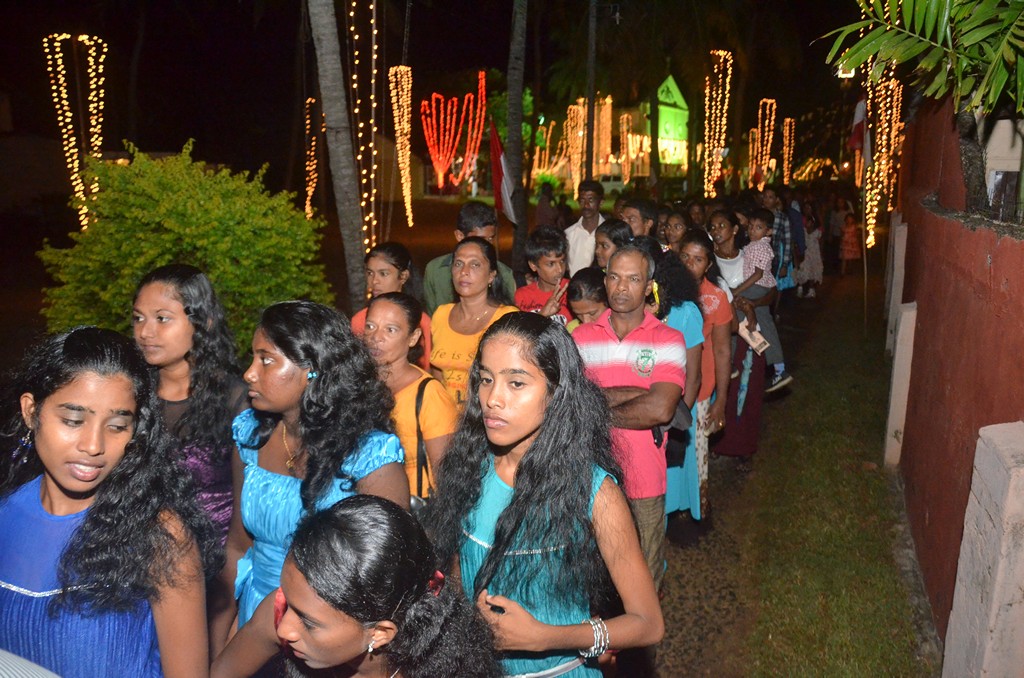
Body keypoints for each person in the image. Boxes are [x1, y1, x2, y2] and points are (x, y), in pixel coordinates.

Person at [425, 312, 664, 677]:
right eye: (486, 379)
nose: (493, 399)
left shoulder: (594, 493)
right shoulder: (469, 469)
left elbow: (648, 623)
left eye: (516, 383)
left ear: (556, 393)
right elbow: (460, 573)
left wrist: (546, 637)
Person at [0, 327, 218, 678]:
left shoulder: (160, 537)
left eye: (117, 426)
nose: (93, 445)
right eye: (73, 420)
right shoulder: (5, 517)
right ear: (30, 411)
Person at [211, 301, 408, 654]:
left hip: (327, 637)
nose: (249, 373)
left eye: (266, 360)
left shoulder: (369, 457)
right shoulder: (251, 437)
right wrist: (220, 637)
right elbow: (238, 546)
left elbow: (387, 579)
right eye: (253, 358)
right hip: (253, 619)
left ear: (312, 371)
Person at [212, 496, 501, 678]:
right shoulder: (280, 612)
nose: (285, 628)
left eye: (309, 623)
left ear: (379, 633)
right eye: (288, 598)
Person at [573, 246, 686, 594]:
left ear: (648, 285)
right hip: (589, 478)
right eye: (614, 277)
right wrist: (637, 392)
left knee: (645, 579)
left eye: (633, 279)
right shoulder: (579, 339)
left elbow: (660, 409)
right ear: (605, 280)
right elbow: (570, 404)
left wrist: (594, 407)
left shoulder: (668, 339)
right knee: (593, 579)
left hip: (644, 480)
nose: (622, 287)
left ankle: (645, 631)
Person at [133, 264, 248, 545]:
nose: (145, 332)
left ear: (203, 321)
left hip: (216, 557)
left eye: (162, 318)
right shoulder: (131, 394)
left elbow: (247, 511)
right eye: (138, 318)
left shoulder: (237, 400)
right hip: (136, 554)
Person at [364, 293, 457, 500]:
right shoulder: (357, 386)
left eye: (390, 330)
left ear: (413, 337)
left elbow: (447, 479)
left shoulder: (429, 395)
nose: (376, 337)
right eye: (370, 326)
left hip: (412, 509)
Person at [673, 230, 735, 524]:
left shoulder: (715, 298)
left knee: (695, 456)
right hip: (666, 389)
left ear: (708, 264)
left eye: (697, 260)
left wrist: (721, 400)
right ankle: (670, 508)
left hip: (699, 391)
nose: (689, 265)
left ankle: (696, 510)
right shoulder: (662, 292)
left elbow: (722, 350)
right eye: (685, 257)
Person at [710, 210, 770, 467]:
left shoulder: (750, 256)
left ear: (735, 229)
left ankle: (744, 444)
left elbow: (772, 292)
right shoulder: (707, 261)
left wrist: (751, 304)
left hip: (748, 333)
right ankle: (718, 442)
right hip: (719, 335)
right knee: (722, 388)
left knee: (748, 389)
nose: (716, 231)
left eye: (722, 225)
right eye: (712, 227)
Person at [429, 237, 518, 407]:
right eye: (458, 264)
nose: (464, 271)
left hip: (487, 413)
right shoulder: (441, 314)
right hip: (445, 415)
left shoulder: (507, 318)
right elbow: (437, 376)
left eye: (475, 264)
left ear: (491, 275)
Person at [733, 208, 793, 393]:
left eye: (758, 227)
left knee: (732, 312)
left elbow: (757, 274)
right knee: (766, 325)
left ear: (769, 231)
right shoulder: (756, 244)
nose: (752, 230)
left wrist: (737, 290)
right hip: (762, 287)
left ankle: (730, 361)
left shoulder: (760, 247)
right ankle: (779, 369)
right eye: (751, 226)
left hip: (757, 286)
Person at [423, 202, 517, 316]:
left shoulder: (504, 273)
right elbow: (432, 316)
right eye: (480, 239)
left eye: (491, 238)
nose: (487, 245)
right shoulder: (435, 271)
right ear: (460, 236)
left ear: (491, 276)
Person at [349, 242, 432, 370]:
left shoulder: (421, 321)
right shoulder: (360, 319)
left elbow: (426, 366)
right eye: (370, 273)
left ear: (403, 276)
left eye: (383, 273)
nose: (374, 281)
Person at [514, 226, 572, 325]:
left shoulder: (573, 289)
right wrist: (542, 315)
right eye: (551, 264)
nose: (560, 269)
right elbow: (519, 332)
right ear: (533, 265)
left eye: (562, 261)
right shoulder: (522, 296)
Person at [565, 180, 606, 276]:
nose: (586, 205)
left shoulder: (609, 233)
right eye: (582, 200)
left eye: (591, 200)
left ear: (601, 202)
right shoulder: (568, 234)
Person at [565, 267, 608, 333]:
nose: (586, 321)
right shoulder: (573, 330)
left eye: (592, 313)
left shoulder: (622, 330)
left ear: (609, 302)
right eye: (578, 314)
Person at [795, 205, 824, 297]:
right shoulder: (803, 231)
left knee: (812, 270)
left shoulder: (817, 232)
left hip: (814, 254)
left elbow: (820, 243)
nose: (808, 223)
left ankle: (811, 290)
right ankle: (800, 288)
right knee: (802, 269)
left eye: (810, 222)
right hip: (805, 254)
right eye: (807, 222)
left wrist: (821, 254)